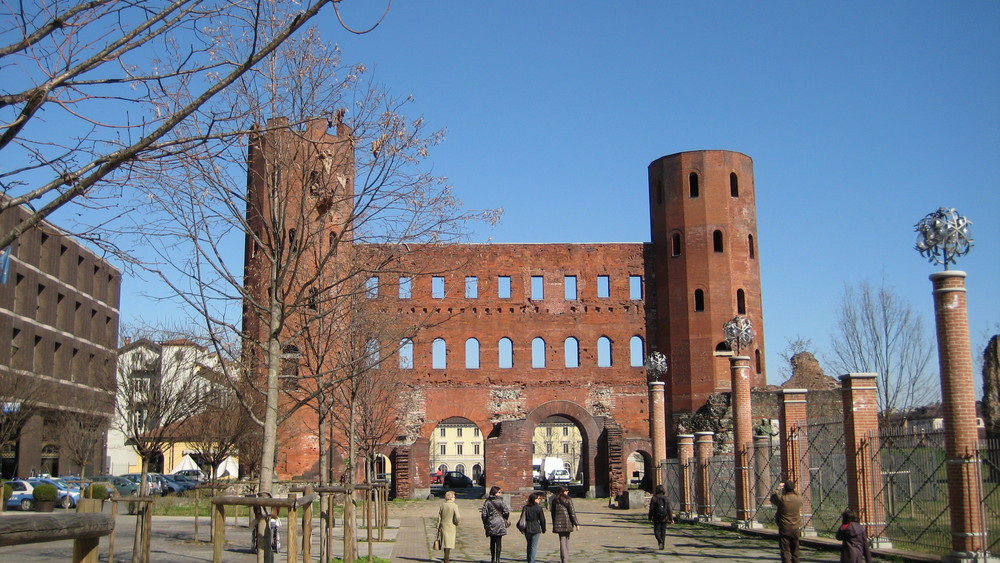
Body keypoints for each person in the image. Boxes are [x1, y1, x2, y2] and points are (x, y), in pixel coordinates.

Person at [770, 480, 803, 563]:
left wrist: (778, 488)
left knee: (785, 551)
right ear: (793, 488)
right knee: (795, 550)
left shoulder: (782, 499)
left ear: (785, 489)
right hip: (795, 527)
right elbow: (798, 494)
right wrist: (792, 488)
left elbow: (773, 497)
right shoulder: (798, 498)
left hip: (784, 527)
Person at [549, 486, 580, 563]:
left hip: (558, 523)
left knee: (562, 540)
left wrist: (554, 522)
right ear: (562, 492)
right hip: (567, 522)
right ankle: (566, 558)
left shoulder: (554, 500)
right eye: (566, 491)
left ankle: (563, 558)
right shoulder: (568, 500)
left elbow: (553, 513)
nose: (567, 492)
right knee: (566, 540)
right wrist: (576, 523)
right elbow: (572, 512)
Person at [482, 485, 511, 563]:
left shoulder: (487, 502)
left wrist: (485, 523)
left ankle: (492, 559)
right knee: (499, 542)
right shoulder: (501, 501)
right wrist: (505, 518)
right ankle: (498, 559)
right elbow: (506, 511)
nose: (500, 493)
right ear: (495, 493)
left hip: (490, 522)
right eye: (499, 492)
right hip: (499, 522)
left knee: (492, 541)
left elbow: (484, 514)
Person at [520, 491, 546, 563]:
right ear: (534, 499)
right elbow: (542, 519)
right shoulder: (538, 508)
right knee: (534, 545)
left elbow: (522, 517)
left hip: (527, 527)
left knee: (529, 544)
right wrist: (543, 529)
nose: (539, 500)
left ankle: (529, 558)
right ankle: (532, 561)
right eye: (538, 499)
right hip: (536, 527)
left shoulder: (525, 507)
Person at [647, 484, 673, 550]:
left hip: (656, 517)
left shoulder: (654, 498)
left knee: (656, 530)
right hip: (665, 517)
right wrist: (671, 518)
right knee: (663, 531)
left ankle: (659, 540)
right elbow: (669, 509)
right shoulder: (666, 498)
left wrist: (650, 517)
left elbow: (651, 509)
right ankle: (662, 545)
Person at [437, 490, 461, 563]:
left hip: (443, 525)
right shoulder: (454, 506)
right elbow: (457, 517)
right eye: (454, 496)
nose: (454, 498)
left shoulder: (442, 505)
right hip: (451, 525)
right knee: (449, 543)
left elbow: (439, 517)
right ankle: (446, 558)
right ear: (450, 498)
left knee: (445, 542)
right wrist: (456, 523)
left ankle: (446, 556)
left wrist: (438, 526)